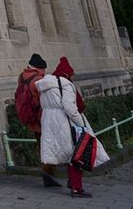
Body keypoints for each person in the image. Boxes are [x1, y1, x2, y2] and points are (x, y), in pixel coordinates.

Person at [37, 56, 91, 198]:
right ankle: (76, 188)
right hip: (64, 121)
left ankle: (71, 182)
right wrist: (82, 123)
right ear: (67, 74)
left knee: (66, 153)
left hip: (49, 120)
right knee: (76, 153)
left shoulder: (44, 84)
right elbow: (70, 108)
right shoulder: (65, 84)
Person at [15, 53, 57, 187]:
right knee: (49, 145)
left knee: (40, 144)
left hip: (30, 118)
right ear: (40, 68)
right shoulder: (38, 80)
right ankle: (48, 172)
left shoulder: (22, 77)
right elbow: (45, 100)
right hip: (41, 118)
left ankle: (47, 171)